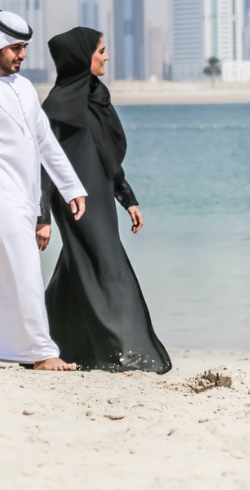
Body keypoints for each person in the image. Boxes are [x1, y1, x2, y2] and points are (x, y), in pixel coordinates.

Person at [0, 10, 87, 371]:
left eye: (24, 48)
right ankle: (42, 352)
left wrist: (72, 188)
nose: (21, 55)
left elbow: (45, 142)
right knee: (26, 268)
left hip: (23, 197)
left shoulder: (24, 88)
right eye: (15, 48)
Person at [36, 26, 172, 373]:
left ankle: (45, 342)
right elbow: (44, 165)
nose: (106, 57)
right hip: (74, 203)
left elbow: (106, 155)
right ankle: (121, 352)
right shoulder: (56, 106)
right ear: (82, 57)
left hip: (101, 195)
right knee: (107, 267)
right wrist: (43, 216)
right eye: (100, 52)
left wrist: (128, 199)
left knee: (77, 270)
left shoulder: (97, 95)